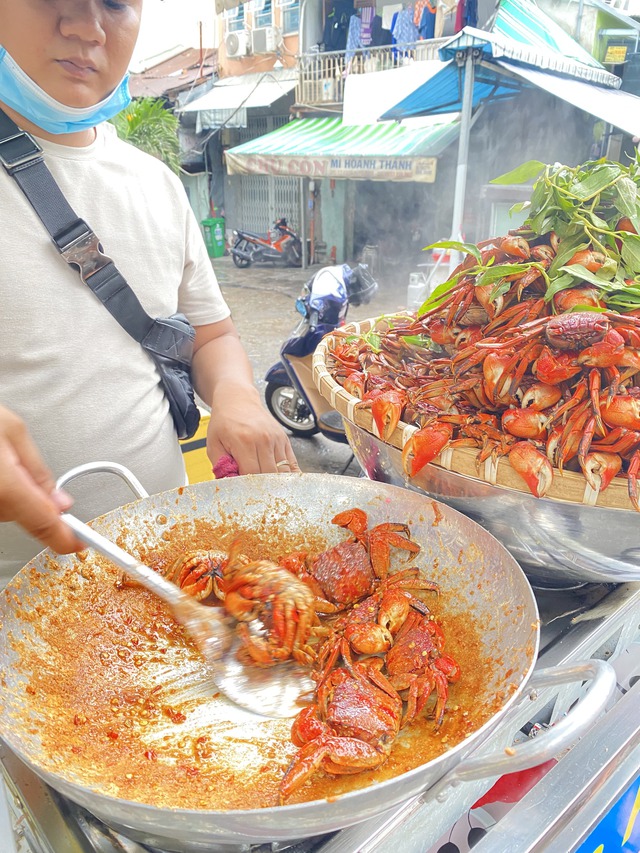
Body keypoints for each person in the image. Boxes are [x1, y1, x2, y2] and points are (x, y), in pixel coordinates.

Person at [0, 0, 300, 586]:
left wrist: (236, 393)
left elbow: (211, 333)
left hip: (162, 579)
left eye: (114, 3)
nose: (86, 27)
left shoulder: (157, 184)